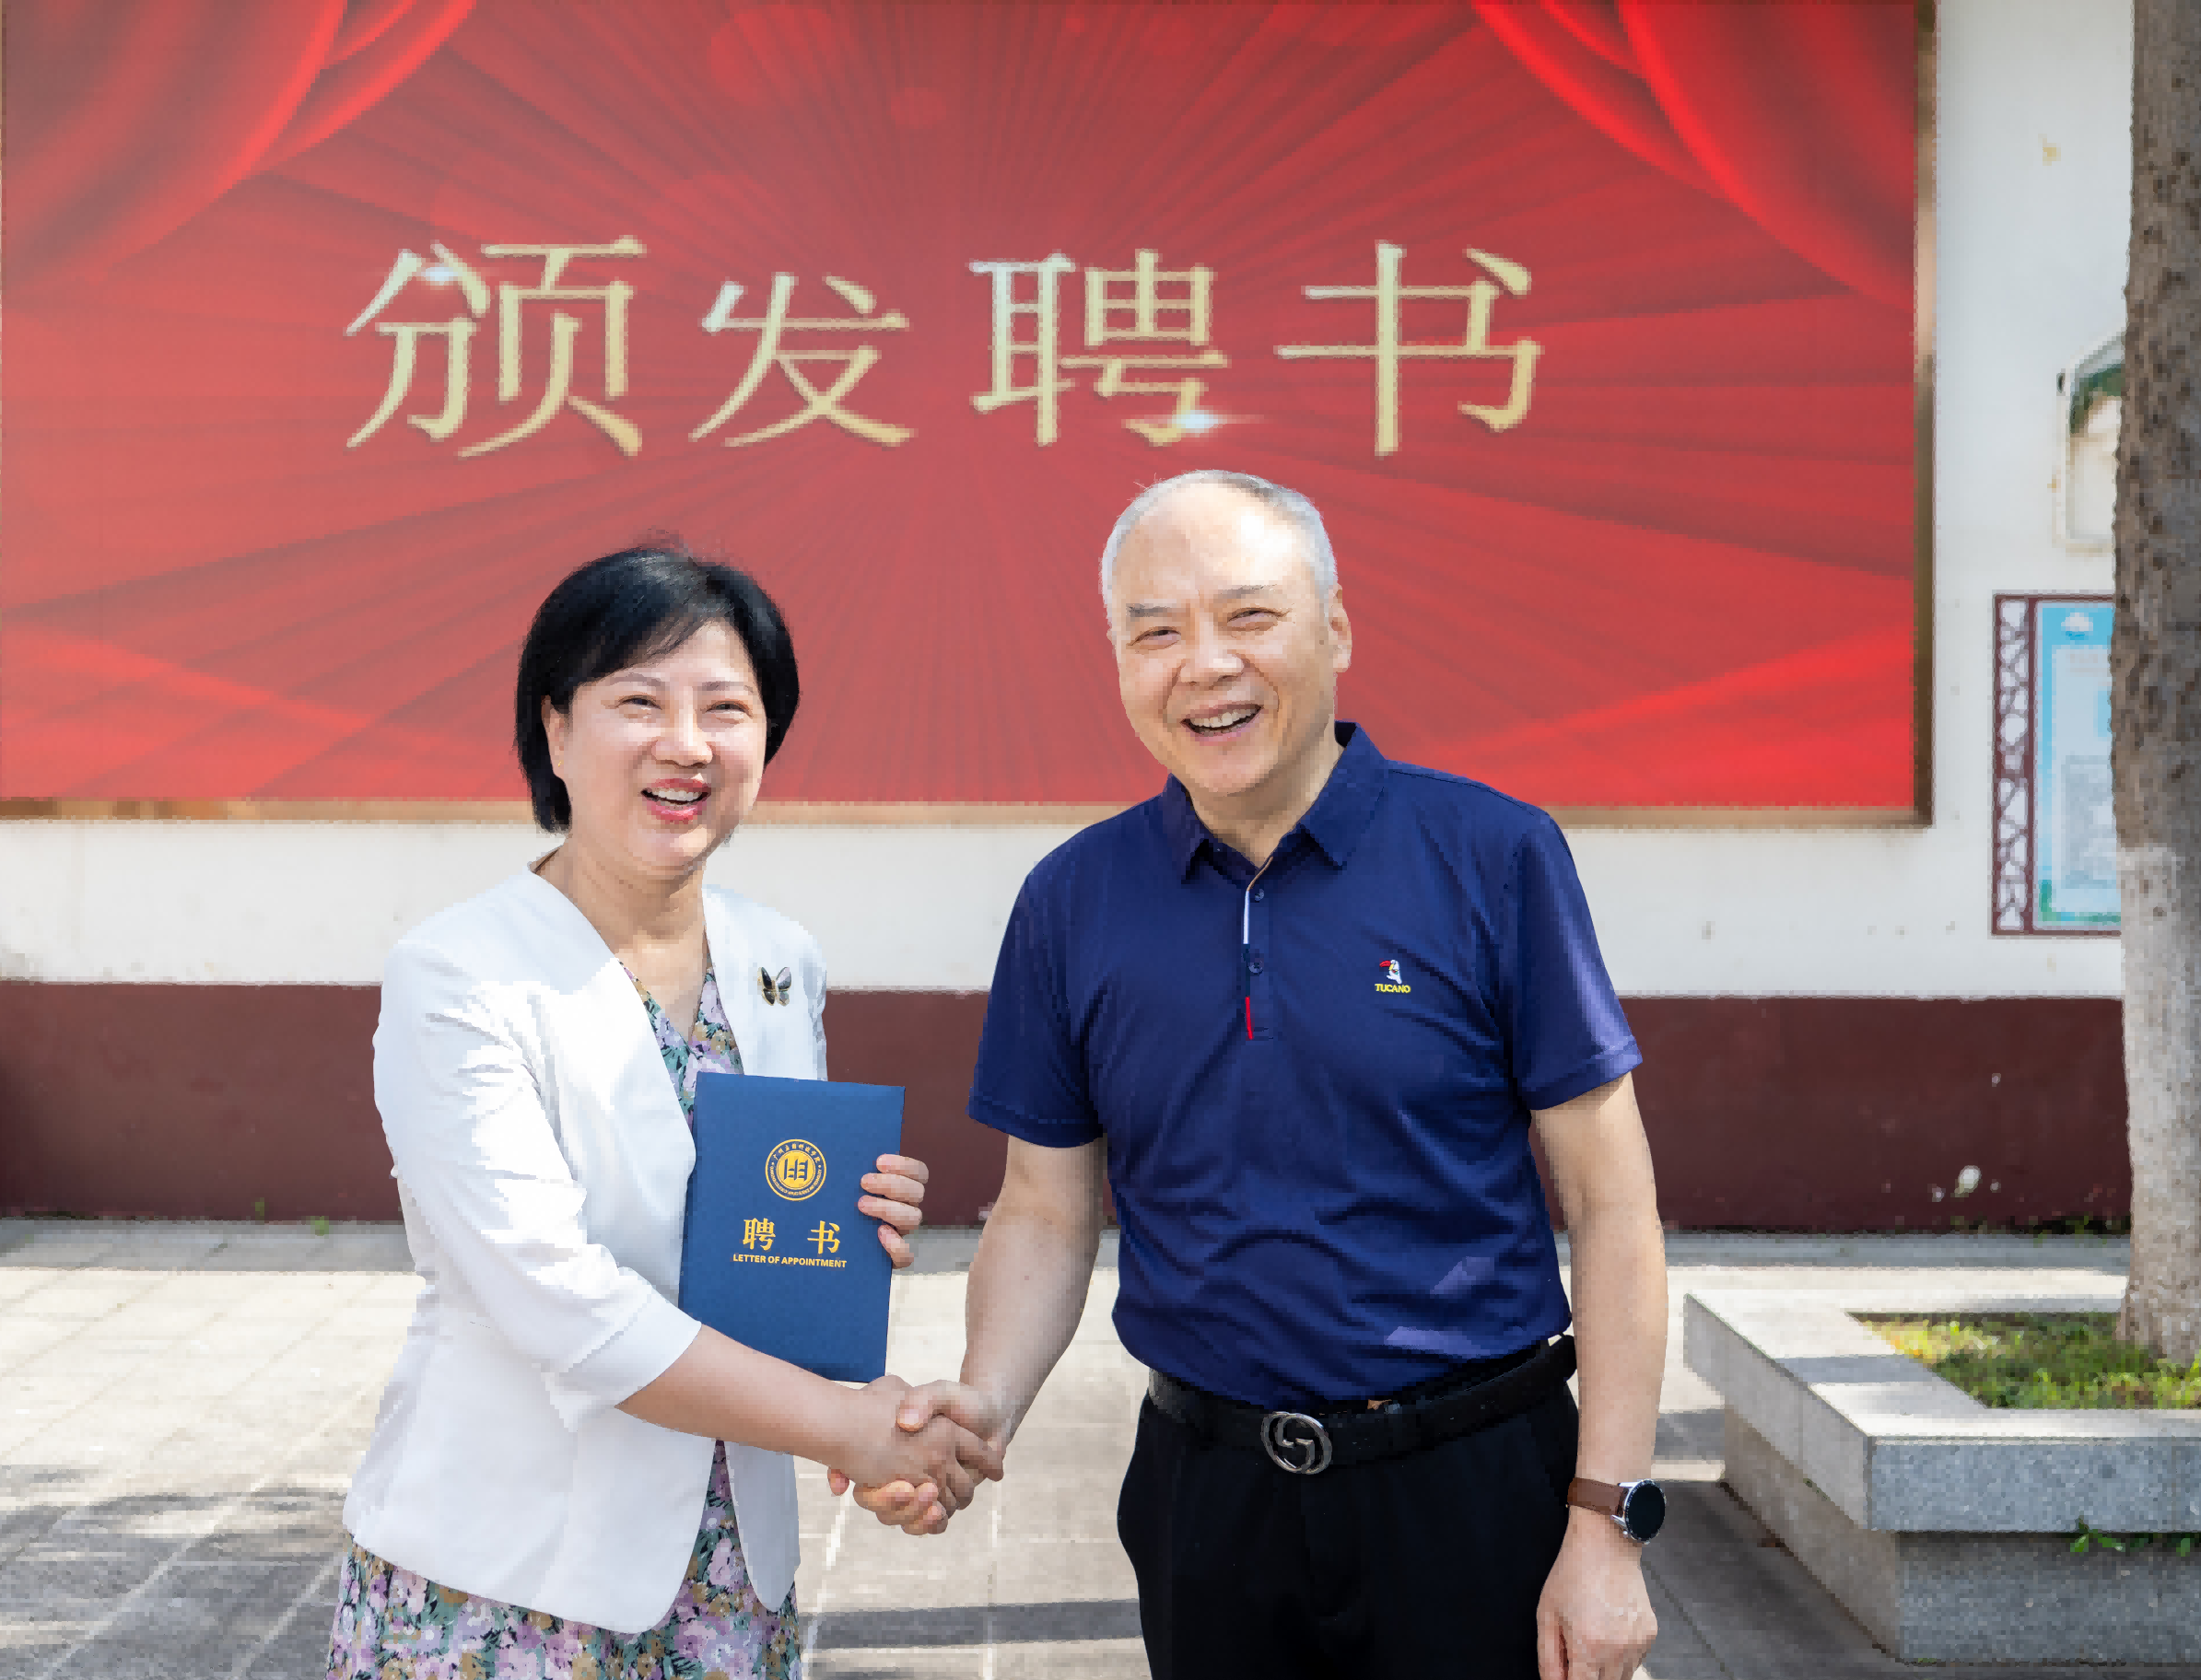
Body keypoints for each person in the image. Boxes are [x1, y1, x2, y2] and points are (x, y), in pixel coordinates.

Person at [845, 472, 1668, 1680]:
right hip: (1208, 1501)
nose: (1205, 665)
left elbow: (1612, 1205)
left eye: (1249, 617)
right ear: (1119, 661)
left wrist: (1606, 1524)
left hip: (1474, 1489)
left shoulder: (1493, 857)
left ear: (1335, 629)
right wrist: (984, 1409)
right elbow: (1045, 1210)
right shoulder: (1072, 902)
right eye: (1157, 632)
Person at [331, 543, 1001, 1680]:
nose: (686, 744)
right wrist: (853, 1430)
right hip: (507, 1588)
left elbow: (754, 1261)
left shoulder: (779, 958)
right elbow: (561, 1304)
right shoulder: (459, 975)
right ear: (555, 731)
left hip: (730, 1584)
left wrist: (845, 1237)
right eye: (639, 703)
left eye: (727, 710)